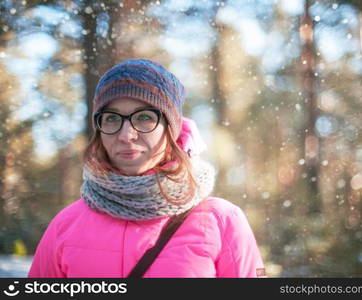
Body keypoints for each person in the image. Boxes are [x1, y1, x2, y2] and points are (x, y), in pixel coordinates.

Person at [28, 58, 265, 278]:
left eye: (143, 118)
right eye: (111, 118)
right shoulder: (66, 225)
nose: (126, 135)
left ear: (170, 127)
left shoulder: (222, 221)